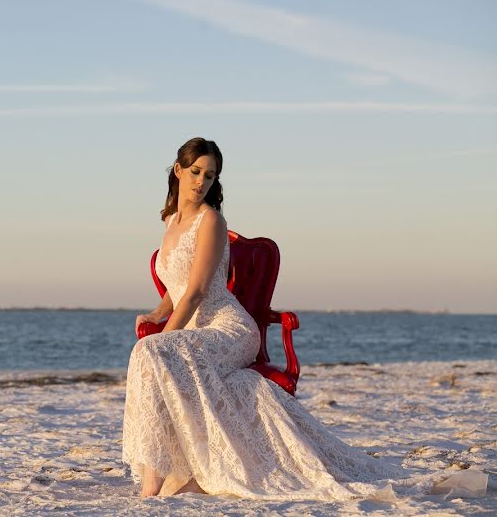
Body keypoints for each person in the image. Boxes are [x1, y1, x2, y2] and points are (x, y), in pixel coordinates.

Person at [120, 137, 484, 501]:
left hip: (229, 328)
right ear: (179, 171)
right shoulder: (171, 223)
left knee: (150, 353)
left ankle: (154, 485)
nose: (201, 182)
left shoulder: (211, 220)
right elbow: (177, 284)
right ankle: (162, 473)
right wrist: (157, 312)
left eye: (211, 176)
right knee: (149, 356)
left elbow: (198, 290)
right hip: (197, 330)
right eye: (196, 172)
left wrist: (163, 338)